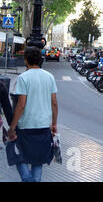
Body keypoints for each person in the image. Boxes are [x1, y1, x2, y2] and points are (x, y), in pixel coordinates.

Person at [7, 47, 58, 182]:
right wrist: (54, 124)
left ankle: (27, 178)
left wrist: (12, 127)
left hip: (25, 126)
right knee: (37, 161)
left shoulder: (23, 78)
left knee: (18, 155)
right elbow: (54, 103)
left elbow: (21, 105)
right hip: (43, 126)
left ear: (26, 61)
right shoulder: (49, 77)